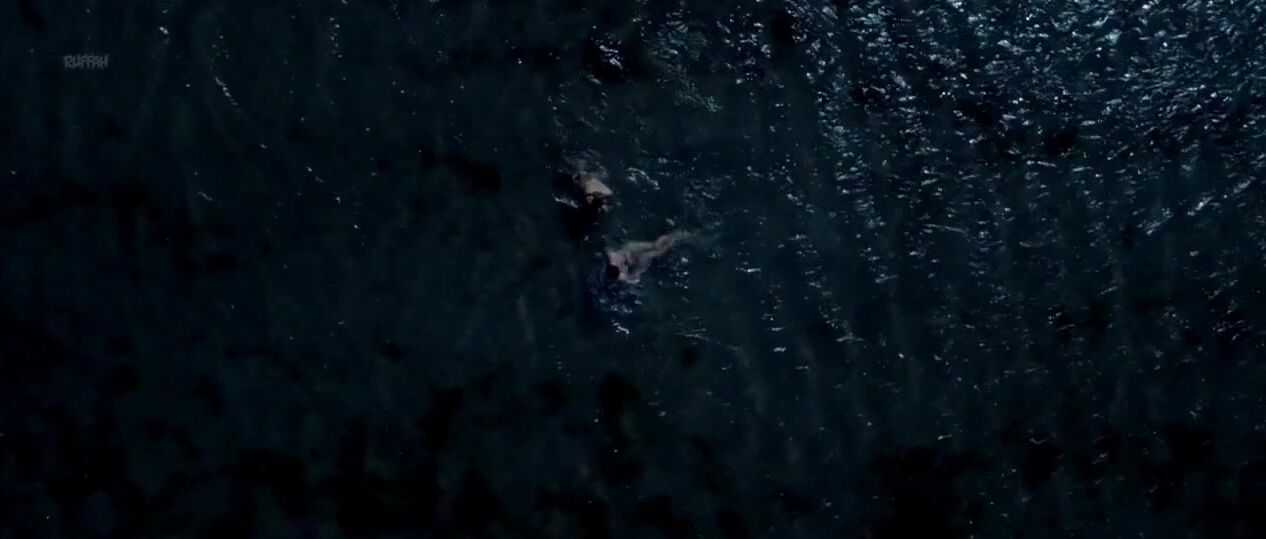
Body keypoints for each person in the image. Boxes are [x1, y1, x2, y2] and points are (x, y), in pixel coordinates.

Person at [604, 231, 692, 284]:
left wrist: (627, 257)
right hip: (637, 264)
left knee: (655, 245)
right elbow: (634, 279)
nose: (620, 265)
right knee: (652, 254)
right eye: (620, 268)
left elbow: (608, 248)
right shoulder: (622, 275)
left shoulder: (612, 255)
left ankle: (676, 235)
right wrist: (632, 272)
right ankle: (672, 242)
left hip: (630, 250)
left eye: (618, 265)